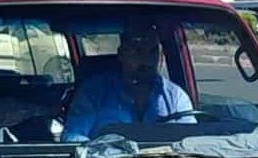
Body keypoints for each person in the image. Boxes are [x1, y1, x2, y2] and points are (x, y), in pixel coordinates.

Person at [61, 21, 194, 142]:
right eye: (137, 51)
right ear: (121, 54)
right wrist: (103, 151)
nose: (147, 60)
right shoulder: (93, 93)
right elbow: (72, 136)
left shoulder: (176, 97)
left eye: (153, 52)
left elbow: (191, 140)